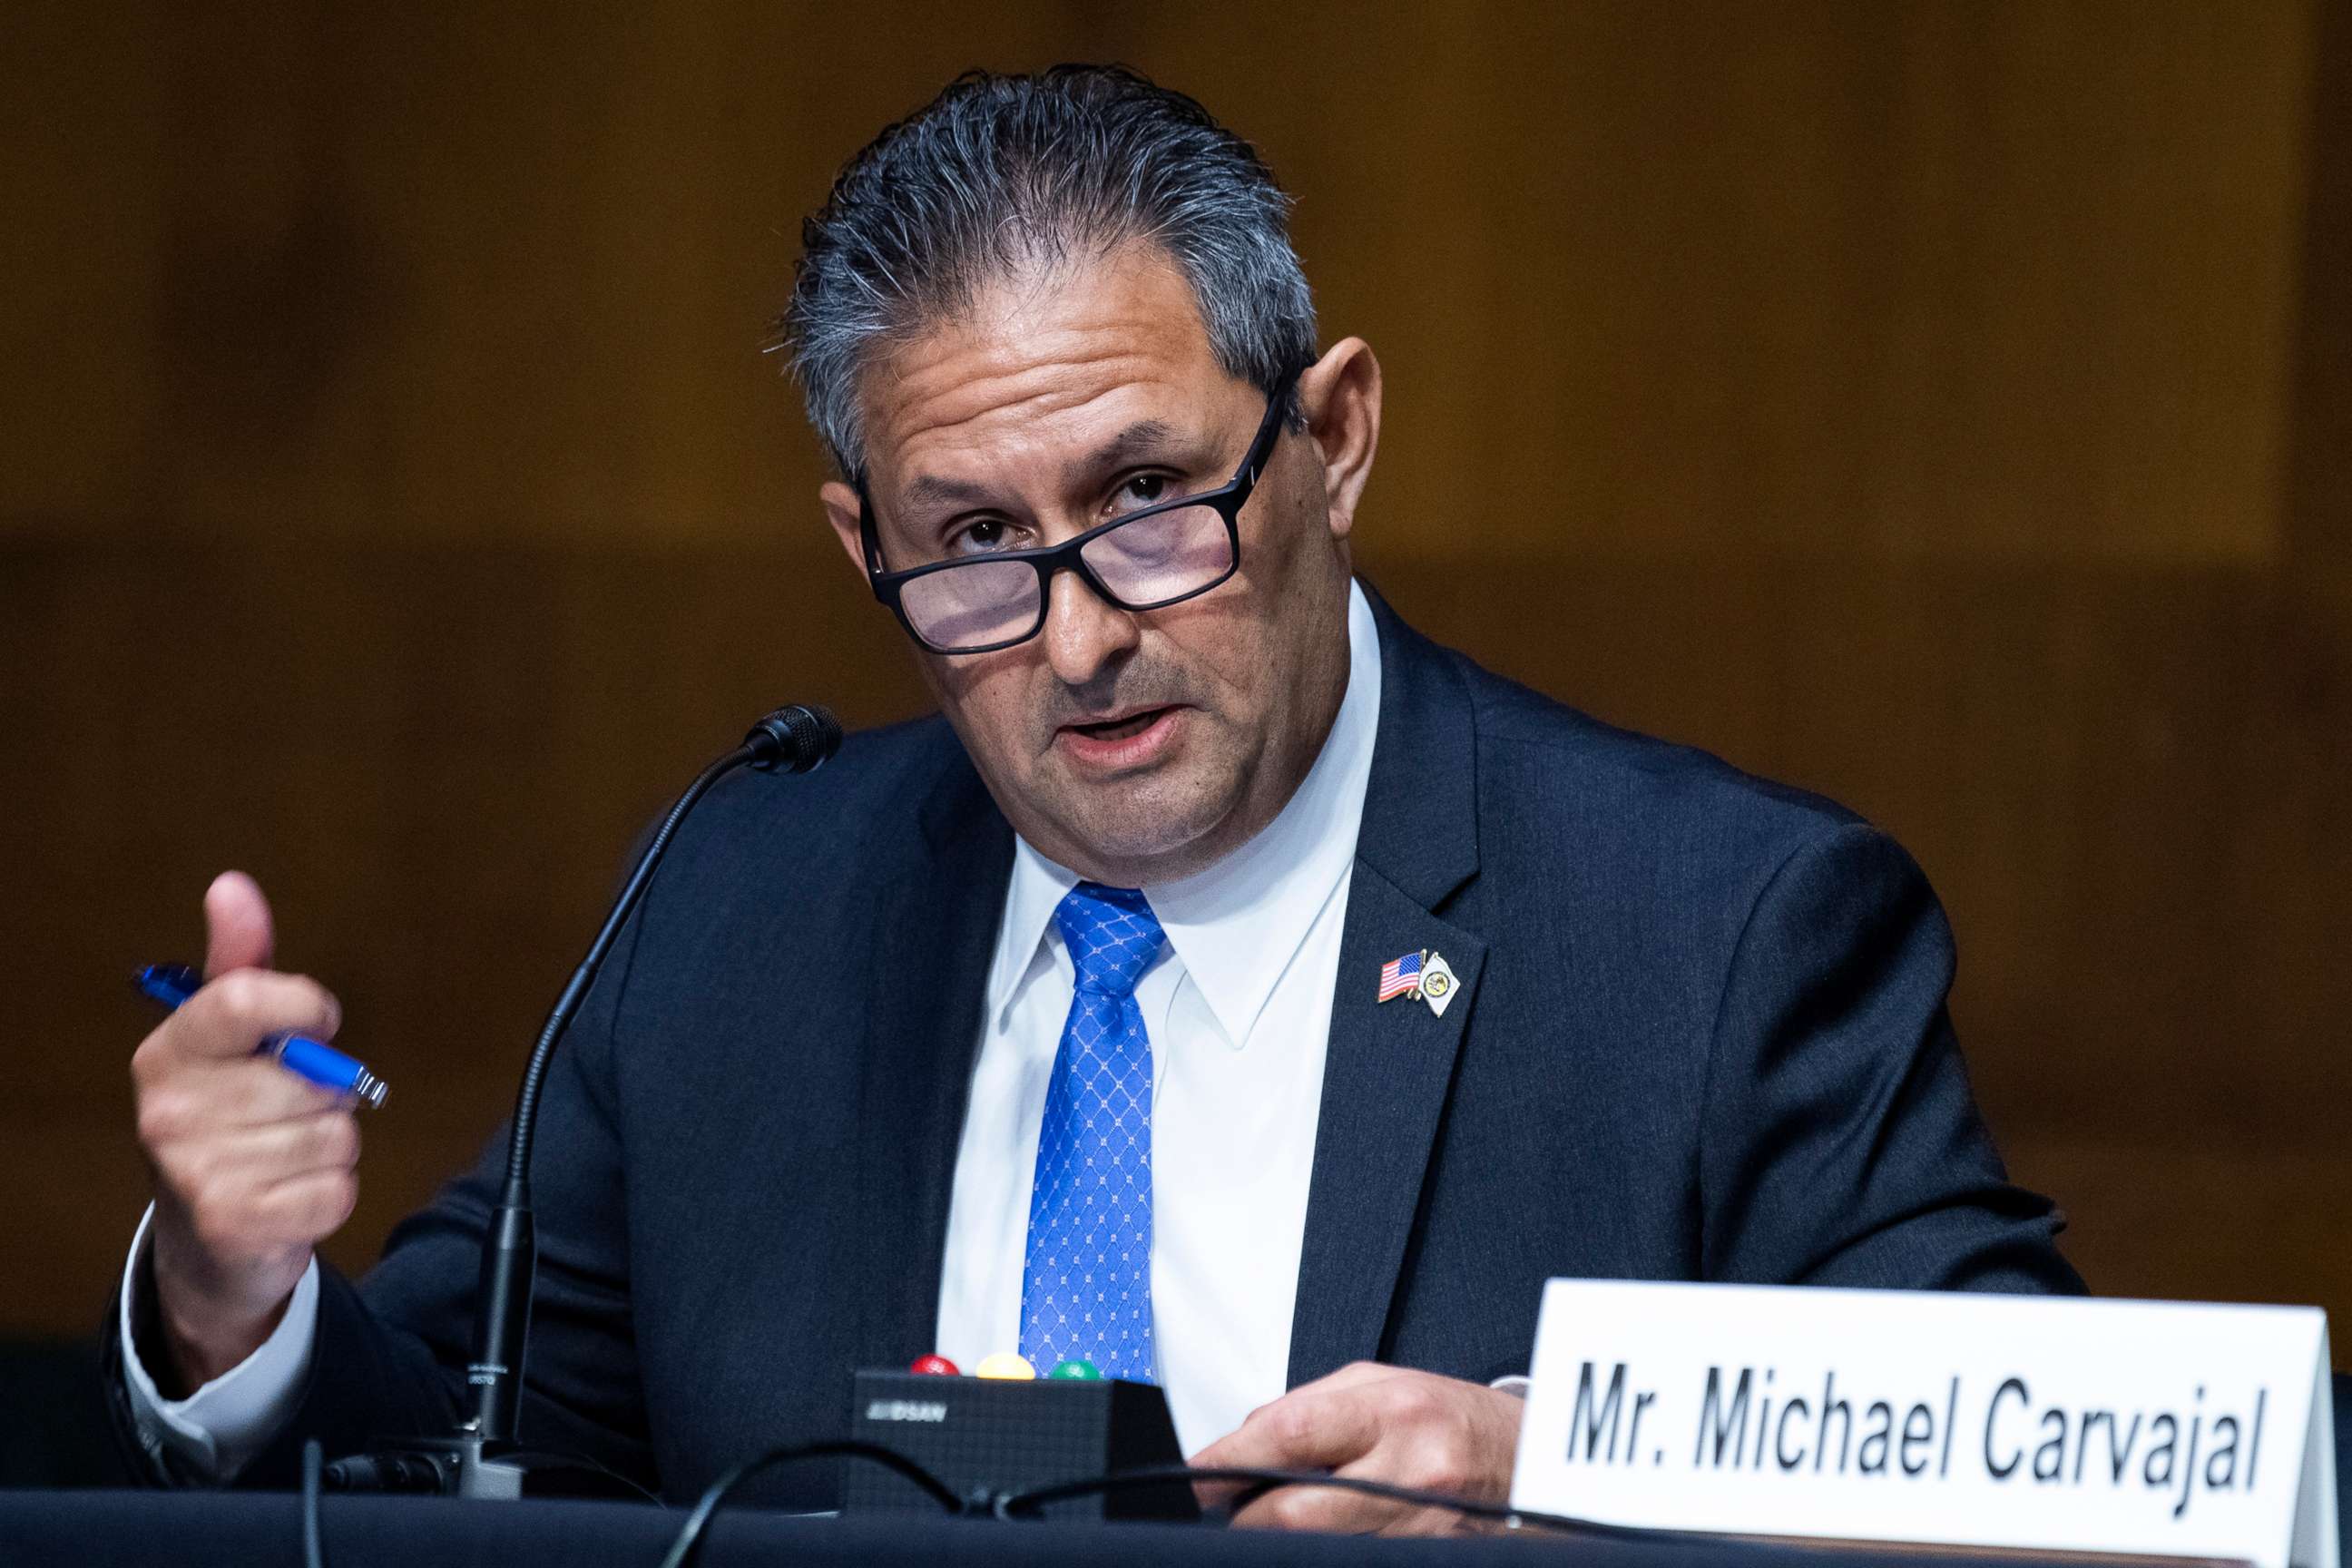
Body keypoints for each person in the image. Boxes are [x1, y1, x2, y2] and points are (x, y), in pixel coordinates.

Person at [107, 64, 2081, 1534]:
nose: (1072, 641)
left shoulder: (1718, 931)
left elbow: (2046, 1465)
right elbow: (473, 1464)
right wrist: (233, 1293)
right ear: (854, 538)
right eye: (970, 540)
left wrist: (1555, 1475)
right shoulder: (742, 908)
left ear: (1332, 439)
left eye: (1148, 505)